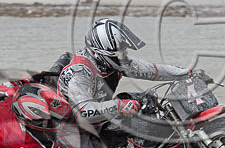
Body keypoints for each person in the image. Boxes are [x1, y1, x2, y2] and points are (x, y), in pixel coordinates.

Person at [58, 18, 212, 139]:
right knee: (135, 125)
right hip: (73, 131)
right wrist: (118, 106)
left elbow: (153, 70)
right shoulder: (80, 73)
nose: (123, 57)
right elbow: (82, 112)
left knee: (147, 102)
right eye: (118, 54)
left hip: (100, 119)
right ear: (100, 53)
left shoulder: (113, 63)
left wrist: (188, 73)